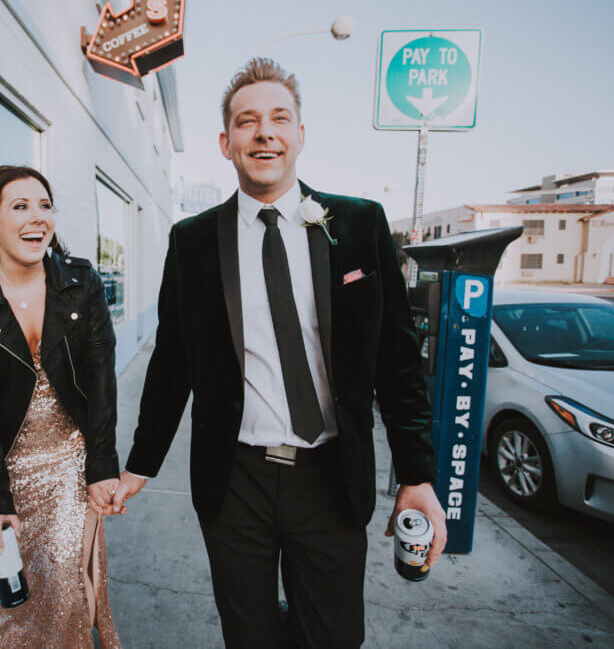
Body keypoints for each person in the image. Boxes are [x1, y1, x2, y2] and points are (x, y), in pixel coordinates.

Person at [111, 58, 447, 647]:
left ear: (299, 135)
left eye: (278, 118)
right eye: (246, 122)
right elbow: (172, 362)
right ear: (226, 142)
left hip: (331, 477)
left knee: (334, 637)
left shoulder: (361, 224)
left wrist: (417, 474)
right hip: (234, 479)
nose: (263, 132)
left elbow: (397, 359)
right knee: (250, 637)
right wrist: (142, 462)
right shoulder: (191, 241)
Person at [0, 165, 122, 648]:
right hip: (10, 469)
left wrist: (102, 464)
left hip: (71, 459)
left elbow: (102, 379)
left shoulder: (80, 282)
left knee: (68, 586)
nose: (36, 217)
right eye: (19, 206)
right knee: (12, 598)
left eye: (44, 205)